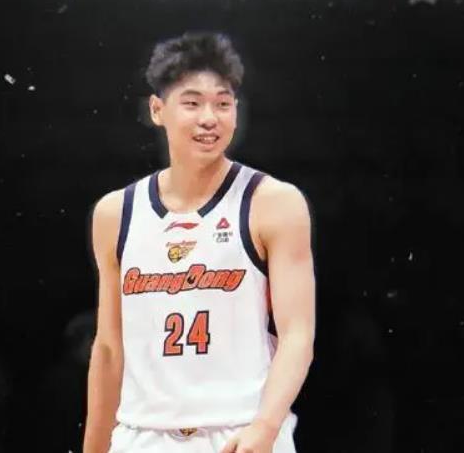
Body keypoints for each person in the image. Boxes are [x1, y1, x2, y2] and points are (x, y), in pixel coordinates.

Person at [83, 31, 316, 453]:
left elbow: (298, 335)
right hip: (142, 435)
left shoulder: (273, 202)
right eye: (192, 103)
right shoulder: (116, 213)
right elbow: (109, 349)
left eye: (223, 104)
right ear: (157, 110)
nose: (209, 118)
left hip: (242, 430)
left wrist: (265, 428)